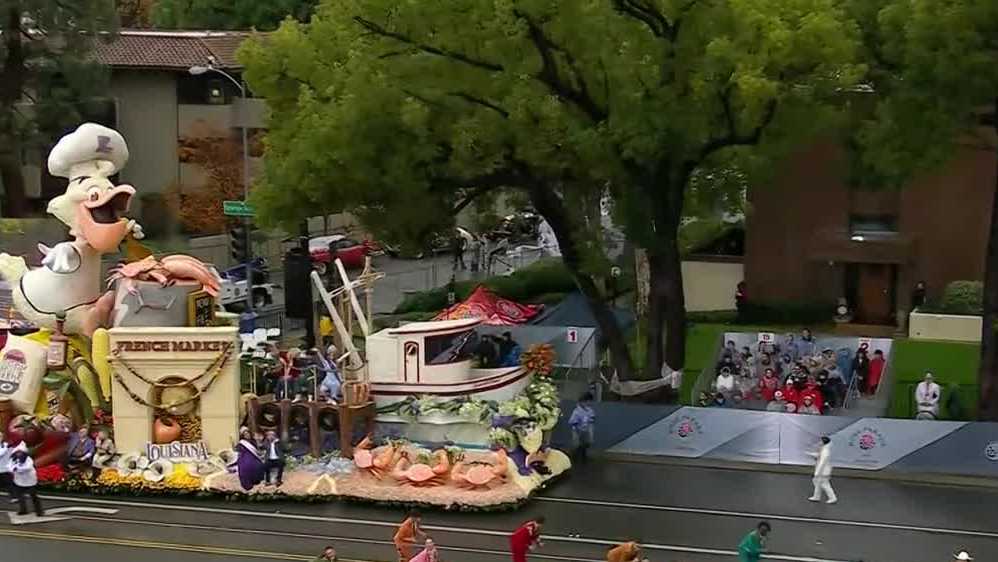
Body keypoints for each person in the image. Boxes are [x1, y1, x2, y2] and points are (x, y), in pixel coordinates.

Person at [11, 449, 43, 517]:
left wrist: (17, 468)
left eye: (20, 453)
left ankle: (39, 511)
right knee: (20, 496)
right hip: (19, 481)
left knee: (33, 496)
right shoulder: (13, 459)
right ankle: (23, 510)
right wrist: (13, 468)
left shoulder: (28, 460)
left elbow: (27, 468)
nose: (18, 454)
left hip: (29, 481)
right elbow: (10, 466)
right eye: (17, 453)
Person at [808, 436, 837, 504]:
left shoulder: (825, 450)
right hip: (823, 470)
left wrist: (817, 472)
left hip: (823, 471)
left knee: (824, 484)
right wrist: (811, 454)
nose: (819, 442)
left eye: (820, 441)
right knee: (817, 483)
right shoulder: (824, 449)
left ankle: (833, 498)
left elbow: (822, 462)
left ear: (823, 442)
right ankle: (816, 496)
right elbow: (819, 456)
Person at [568, 392, 596, 462]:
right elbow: (573, 422)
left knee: (587, 442)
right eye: (585, 402)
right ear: (581, 401)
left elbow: (591, 422)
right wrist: (578, 430)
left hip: (586, 429)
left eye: (589, 402)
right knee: (576, 444)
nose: (587, 403)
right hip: (577, 430)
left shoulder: (590, 411)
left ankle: (583, 455)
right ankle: (573, 457)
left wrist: (590, 432)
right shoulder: (576, 411)